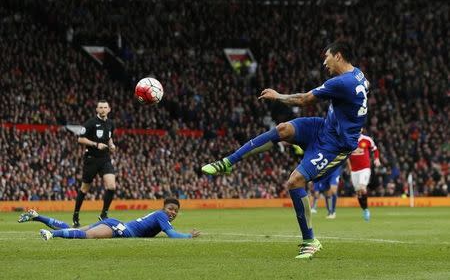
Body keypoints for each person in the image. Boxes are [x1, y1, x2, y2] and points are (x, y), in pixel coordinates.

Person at [202, 41, 369, 259]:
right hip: (324, 127)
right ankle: (227, 162)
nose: (324, 61)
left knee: (294, 182)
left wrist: (277, 95)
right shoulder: (359, 76)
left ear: (338, 56)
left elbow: (303, 99)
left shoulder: (341, 82)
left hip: (336, 144)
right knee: (282, 129)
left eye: (326, 56)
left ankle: (310, 240)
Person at [18, 198, 200, 240]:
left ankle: (37, 216)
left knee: (80, 230)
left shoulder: (159, 215)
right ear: (164, 208)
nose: (172, 213)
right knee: (87, 236)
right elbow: (172, 235)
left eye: (175, 211)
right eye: (170, 209)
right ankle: (51, 234)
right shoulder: (162, 216)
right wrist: (189, 236)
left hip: (117, 223)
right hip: (121, 229)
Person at [73, 100, 117, 227]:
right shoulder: (90, 123)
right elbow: (80, 139)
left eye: (105, 107)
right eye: (100, 107)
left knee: (111, 186)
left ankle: (103, 214)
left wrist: (111, 145)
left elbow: (109, 138)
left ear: (109, 109)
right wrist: (96, 144)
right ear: (97, 110)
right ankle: (76, 215)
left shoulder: (111, 123)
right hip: (91, 159)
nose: (103, 109)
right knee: (84, 189)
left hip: (105, 159)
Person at [347, 131, 380, 221]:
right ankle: (365, 209)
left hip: (364, 169)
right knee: (358, 192)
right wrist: (348, 167)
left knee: (362, 188)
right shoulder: (348, 140)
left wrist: (376, 159)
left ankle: (366, 210)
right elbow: (346, 155)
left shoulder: (367, 139)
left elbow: (375, 149)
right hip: (354, 171)